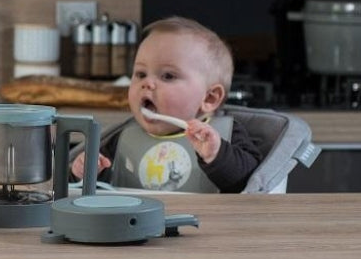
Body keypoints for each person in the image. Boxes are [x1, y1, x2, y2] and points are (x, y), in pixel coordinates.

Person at [71, 16, 261, 192]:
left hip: (203, 217)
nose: (147, 83)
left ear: (209, 98)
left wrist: (217, 155)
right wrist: (85, 172)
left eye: (168, 76)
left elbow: (252, 182)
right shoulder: (123, 138)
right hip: (132, 218)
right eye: (141, 74)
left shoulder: (224, 134)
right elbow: (99, 187)